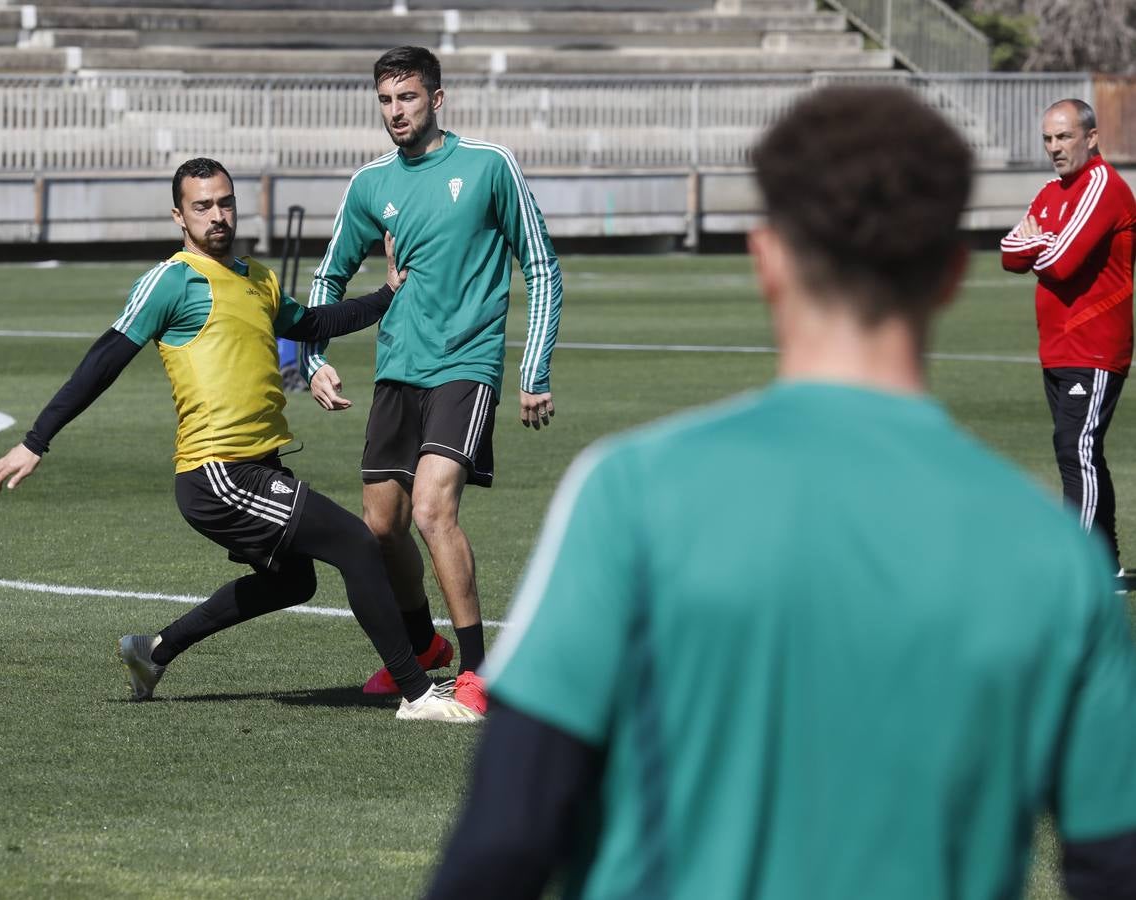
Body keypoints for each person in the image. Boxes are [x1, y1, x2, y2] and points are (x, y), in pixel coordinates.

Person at [428, 87, 1136, 898]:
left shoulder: (627, 499)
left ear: (765, 258)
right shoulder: (1055, 559)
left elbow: (502, 842)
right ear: (947, 275)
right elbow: (1113, 865)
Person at [0, 157, 480, 723]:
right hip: (217, 472)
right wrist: (35, 441)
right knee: (358, 543)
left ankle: (153, 651)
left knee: (294, 581)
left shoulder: (257, 278)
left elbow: (313, 325)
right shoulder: (171, 280)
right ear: (179, 215)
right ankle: (417, 693)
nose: (217, 216)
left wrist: (388, 292)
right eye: (202, 207)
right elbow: (103, 361)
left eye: (225, 203)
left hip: (260, 466)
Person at [300, 46, 564, 713]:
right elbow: (327, 276)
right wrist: (313, 359)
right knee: (380, 524)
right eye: (386, 100)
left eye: (408, 97)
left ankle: (478, 669)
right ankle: (421, 651)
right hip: (397, 370)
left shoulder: (487, 165)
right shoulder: (370, 185)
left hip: (465, 366)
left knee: (430, 510)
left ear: (436, 99)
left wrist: (532, 369)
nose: (396, 111)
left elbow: (540, 263)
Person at [1001, 98, 1136, 575]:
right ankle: (1105, 563)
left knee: (1073, 449)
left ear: (1091, 138)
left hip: (1094, 344)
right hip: (1057, 346)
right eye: (1048, 139)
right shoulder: (1051, 190)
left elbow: (1058, 263)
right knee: (1081, 452)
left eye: (1064, 137)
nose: (1054, 148)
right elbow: (1008, 253)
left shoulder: (1103, 187)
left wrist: (1039, 242)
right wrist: (1043, 243)